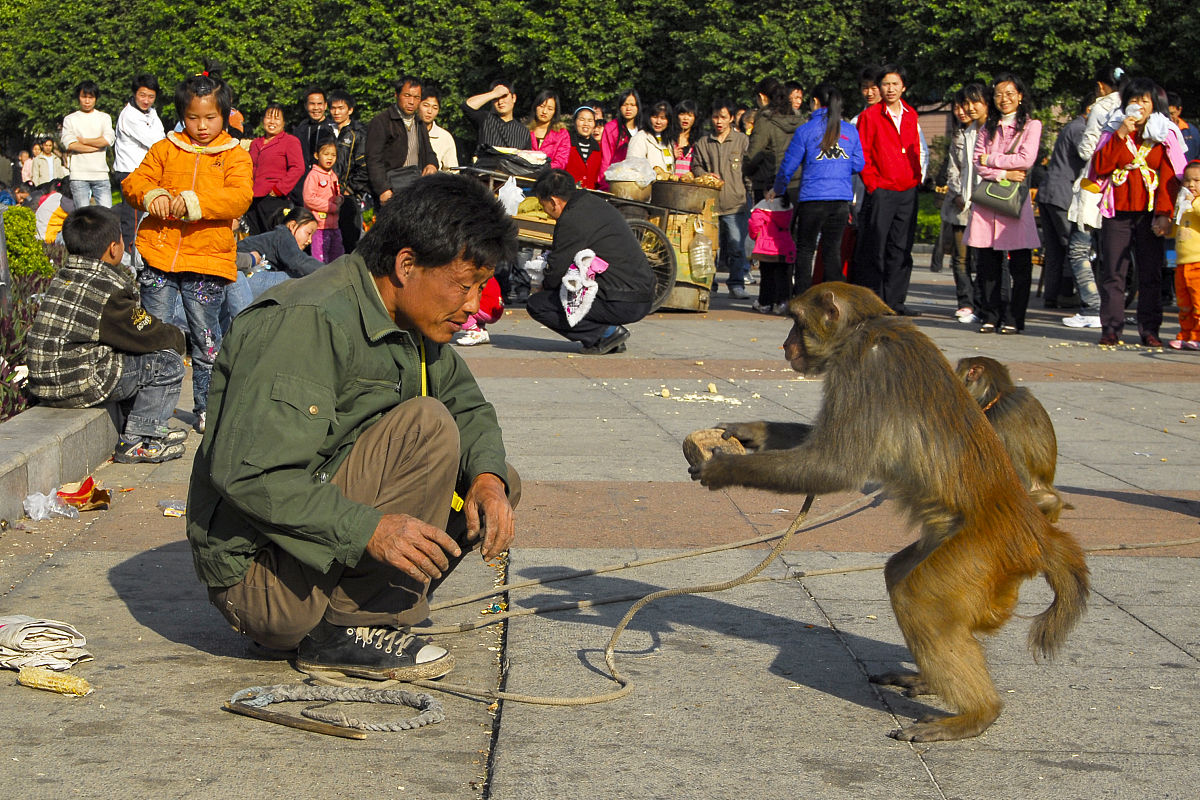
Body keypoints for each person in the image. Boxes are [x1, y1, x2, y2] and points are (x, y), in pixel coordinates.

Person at [187, 174, 519, 680]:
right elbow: (251, 476)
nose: (473, 305)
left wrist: (488, 481)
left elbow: (470, 408)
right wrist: (368, 529)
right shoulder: (308, 321)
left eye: (480, 286)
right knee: (426, 427)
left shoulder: (413, 320)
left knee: (493, 479)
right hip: (261, 581)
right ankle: (352, 624)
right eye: (463, 283)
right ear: (406, 265)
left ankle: (356, 609)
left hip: (312, 546)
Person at [122, 73, 254, 434]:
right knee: (155, 337)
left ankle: (206, 408)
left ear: (224, 115)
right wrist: (152, 195)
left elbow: (239, 197)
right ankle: (148, 413)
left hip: (206, 261)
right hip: (159, 255)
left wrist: (195, 203)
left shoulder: (235, 156)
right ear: (182, 114)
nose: (201, 126)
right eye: (193, 117)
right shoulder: (165, 148)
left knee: (206, 341)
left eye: (210, 117)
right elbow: (134, 182)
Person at [26, 207, 188, 463]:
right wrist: (179, 339)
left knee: (129, 358)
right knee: (166, 361)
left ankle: (137, 426)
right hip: (77, 382)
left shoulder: (64, 277)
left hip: (44, 383)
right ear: (114, 248)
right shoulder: (108, 288)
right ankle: (142, 439)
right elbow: (146, 334)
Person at [1090, 77, 1181, 347]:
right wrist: (1120, 135)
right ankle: (1111, 328)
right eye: (1133, 99)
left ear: (1154, 105)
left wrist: (1164, 213)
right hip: (1118, 208)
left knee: (1151, 271)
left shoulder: (1166, 133)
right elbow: (1101, 167)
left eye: (1144, 100)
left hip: (1150, 210)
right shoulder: (1113, 130)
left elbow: (1170, 176)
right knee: (1114, 271)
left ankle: (1150, 329)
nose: (1138, 105)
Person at [526, 169, 656, 354]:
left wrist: (543, 286)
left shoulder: (571, 219)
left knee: (538, 305)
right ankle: (608, 334)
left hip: (624, 299)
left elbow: (557, 270)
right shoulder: (592, 203)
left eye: (543, 204)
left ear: (554, 201)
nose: (546, 211)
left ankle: (606, 333)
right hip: (640, 293)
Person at [964, 73, 1042, 335]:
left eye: (1010, 93)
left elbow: (1026, 159)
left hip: (1013, 204)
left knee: (1020, 264)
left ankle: (1013, 317)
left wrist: (991, 160)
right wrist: (1003, 173)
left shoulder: (1031, 126)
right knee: (987, 263)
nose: (1004, 99)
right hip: (988, 203)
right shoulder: (987, 128)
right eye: (998, 94)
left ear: (1020, 96)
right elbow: (977, 162)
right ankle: (990, 315)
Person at [774, 82, 864, 294]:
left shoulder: (805, 130)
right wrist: (839, 169)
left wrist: (778, 188)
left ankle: (804, 296)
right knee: (832, 250)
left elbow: (788, 165)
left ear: (815, 102)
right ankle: (835, 298)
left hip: (812, 199)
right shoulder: (850, 131)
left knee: (805, 250)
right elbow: (859, 163)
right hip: (840, 199)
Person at [854, 64, 924, 315]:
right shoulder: (870, 116)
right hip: (882, 189)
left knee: (901, 247)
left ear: (903, 87)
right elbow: (862, 153)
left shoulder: (911, 114)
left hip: (907, 189)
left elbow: (916, 148)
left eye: (895, 84)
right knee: (877, 247)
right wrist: (873, 184)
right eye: (886, 84)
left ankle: (896, 302)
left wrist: (916, 178)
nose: (890, 89)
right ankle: (876, 302)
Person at [1038, 99, 1093, 316]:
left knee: (1054, 249)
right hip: (1062, 193)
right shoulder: (1081, 129)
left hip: (1050, 192)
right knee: (1071, 245)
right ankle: (1066, 292)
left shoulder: (1071, 126)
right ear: (1090, 110)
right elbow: (1087, 157)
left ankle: (1052, 295)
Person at [693, 98, 752, 299]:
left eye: (723, 117)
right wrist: (705, 175)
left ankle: (736, 283)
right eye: (716, 117)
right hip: (710, 205)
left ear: (732, 119)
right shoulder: (703, 143)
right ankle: (709, 284)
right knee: (710, 249)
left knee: (736, 246)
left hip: (736, 204)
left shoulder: (742, 141)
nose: (719, 121)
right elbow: (696, 166)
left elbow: (749, 170)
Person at [223, 208, 323, 326]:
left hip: (241, 280)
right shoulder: (283, 235)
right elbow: (299, 261)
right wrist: (330, 271)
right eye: (308, 233)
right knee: (297, 279)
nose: (310, 240)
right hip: (243, 278)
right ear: (292, 225)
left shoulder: (280, 236)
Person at [943, 83, 988, 323]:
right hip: (961, 204)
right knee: (960, 258)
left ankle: (982, 302)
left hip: (983, 202)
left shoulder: (987, 132)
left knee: (981, 258)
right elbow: (953, 168)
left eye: (967, 105)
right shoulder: (959, 135)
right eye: (958, 107)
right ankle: (965, 302)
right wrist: (958, 192)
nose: (963, 111)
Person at [366, 76, 438, 206]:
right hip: (392, 187)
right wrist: (383, 189)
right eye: (407, 96)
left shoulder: (419, 122)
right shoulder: (382, 121)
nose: (412, 102)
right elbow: (373, 159)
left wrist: (432, 165)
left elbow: (429, 152)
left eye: (416, 98)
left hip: (416, 187)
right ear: (396, 95)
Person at [112, 74, 166, 246]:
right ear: (135, 93)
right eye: (142, 95)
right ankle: (129, 256)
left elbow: (161, 137)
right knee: (132, 218)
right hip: (130, 171)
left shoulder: (152, 113)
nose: (146, 100)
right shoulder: (129, 115)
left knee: (146, 215)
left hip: (146, 172)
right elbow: (154, 141)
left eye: (151, 96)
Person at [246, 104, 305, 235]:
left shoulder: (290, 141)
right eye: (268, 117)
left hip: (274, 199)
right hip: (253, 198)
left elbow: (298, 168)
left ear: (284, 122)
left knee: (272, 236)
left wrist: (278, 189)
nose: (272, 122)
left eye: (277, 118)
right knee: (254, 237)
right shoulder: (255, 143)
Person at [61, 80, 114, 207]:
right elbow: (70, 144)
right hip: (79, 175)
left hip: (101, 174)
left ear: (96, 99)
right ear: (78, 97)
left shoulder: (104, 118)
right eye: (84, 97)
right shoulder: (70, 119)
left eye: (91, 97)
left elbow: (108, 140)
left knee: (106, 214)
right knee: (82, 215)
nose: (87, 101)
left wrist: (84, 141)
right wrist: (97, 146)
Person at [747, 79, 802, 203]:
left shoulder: (765, 120)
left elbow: (754, 154)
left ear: (761, 97)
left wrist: (747, 171)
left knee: (768, 221)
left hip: (768, 183)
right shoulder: (798, 119)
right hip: (796, 182)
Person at [328, 89, 370, 252]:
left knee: (350, 240)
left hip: (348, 196)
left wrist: (348, 190)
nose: (336, 112)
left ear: (350, 110)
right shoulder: (327, 130)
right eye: (333, 108)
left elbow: (363, 166)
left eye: (341, 108)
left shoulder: (358, 133)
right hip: (326, 194)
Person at [288, 86, 337, 206]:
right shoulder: (299, 130)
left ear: (325, 105)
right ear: (306, 106)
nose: (316, 108)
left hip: (326, 192)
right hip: (300, 192)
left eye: (319, 104)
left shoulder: (333, 129)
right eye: (312, 104)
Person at [1169, 160, 1200, 350]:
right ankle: (1185, 333)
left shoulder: (1195, 204)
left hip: (1198, 262)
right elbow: (1175, 229)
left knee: (1198, 302)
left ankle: (1197, 335)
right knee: (1184, 303)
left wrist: (1193, 204)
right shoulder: (1183, 203)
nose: (1191, 185)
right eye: (1187, 180)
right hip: (1181, 263)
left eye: (1197, 180)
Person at [461, 80, 533, 158]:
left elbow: (527, 160)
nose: (500, 102)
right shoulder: (485, 119)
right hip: (485, 169)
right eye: (496, 98)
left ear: (514, 98)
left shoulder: (523, 131)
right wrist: (494, 93)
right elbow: (467, 106)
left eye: (504, 96)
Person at [747, 197, 794, 313]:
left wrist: (755, 237)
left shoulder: (763, 206)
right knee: (783, 277)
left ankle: (765, 303)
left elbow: (754, 225)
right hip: (785, 246)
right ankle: (782, 303)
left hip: (765, 248)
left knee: (767, 277)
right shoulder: (789, 206)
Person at [303, 141, 343, 263]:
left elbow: (337, 193)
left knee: (336, 256)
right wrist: (331, 207)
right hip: (319, 226)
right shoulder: (313, 175)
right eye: (326, 154)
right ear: (316, 155)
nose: (330, 158)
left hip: (334, 225)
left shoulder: (333, 175)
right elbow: (309, 199)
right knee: (320, 258)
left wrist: (340, 199)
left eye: (333, 155)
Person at [598, 89, 642, 190]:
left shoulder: (643, 130)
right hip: (616, 182)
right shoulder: (611, 128)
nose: (628, 108)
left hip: (639, 185)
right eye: (625, 104)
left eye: (632, 105)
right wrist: (604, 184)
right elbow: (606, 158)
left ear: (638, 107)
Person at [626, 99, 675, 174]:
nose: (658, 122)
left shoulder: (667, 140)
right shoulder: (640, 138)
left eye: (663, 118)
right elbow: (633, 168)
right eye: (655, 117)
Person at [527, 89, 570, 170]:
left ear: (555, 111)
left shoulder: (561, 134)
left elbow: (561, 161)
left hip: (549, 178)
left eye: (550, 109)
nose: (544, 111)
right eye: (541, 106)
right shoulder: (525, 130)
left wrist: (544, 168)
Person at [419, 85, 458, 170]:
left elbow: (452, 171)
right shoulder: (406, 131)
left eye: (434, 107)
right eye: (426, 105)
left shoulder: (444, 137)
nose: (429, 111)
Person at [565, 106, 602, 189]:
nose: (586, 124)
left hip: (591, 196)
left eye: (590, 120)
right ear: (574, 122)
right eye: (582, 120)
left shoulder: (599, 149)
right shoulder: (566, 144)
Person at [1167, 93, 1200, 162]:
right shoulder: (1157, 132)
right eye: (1166, 114)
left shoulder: (1191, 131)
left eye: (1172, 113)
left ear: (1179, 110)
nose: (1169, 118)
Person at [672, 99, 699, 176]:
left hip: (691, 186)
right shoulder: (670, 139)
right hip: (670, 184)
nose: (685, 118)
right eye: (682, 114)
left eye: (690, 115)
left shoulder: (698, 141)